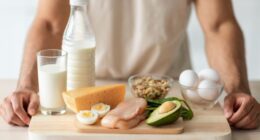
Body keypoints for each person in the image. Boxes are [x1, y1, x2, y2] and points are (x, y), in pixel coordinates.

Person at [0, 0, 259, 129]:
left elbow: (219, 24)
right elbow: (49, 22)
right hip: (88, 94)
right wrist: (26, 86)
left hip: (167, 93)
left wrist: (238, 90)